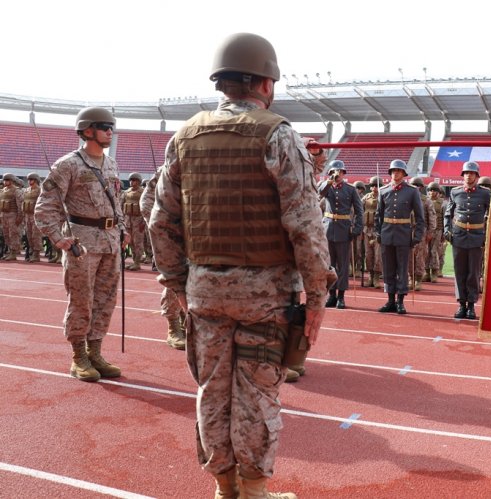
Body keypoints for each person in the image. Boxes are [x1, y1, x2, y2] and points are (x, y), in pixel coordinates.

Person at [147, 32, 333, 499]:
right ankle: (252, 491)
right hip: (265, 295)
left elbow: (160, 220)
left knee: (212, 390)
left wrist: (176, 282)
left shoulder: (184, 136)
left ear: (223, 83)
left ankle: (223, 487)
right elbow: (305, 224)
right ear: (266, 83)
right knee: (257, 393)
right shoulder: (279, 134)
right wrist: (317, 297)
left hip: (204, 289)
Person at [34, 106, 129, 382]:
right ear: (87, 130)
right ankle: (79, 357)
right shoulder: (68, 165)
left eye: (112, 127)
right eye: (104, 127)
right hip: (81, 244)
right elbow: (45, 206)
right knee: (81, 300)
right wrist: (57, 238)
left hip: (110, 243)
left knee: (105, 300)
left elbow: (117, 203)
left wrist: (123, 230)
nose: (110, 132)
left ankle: (95, 352)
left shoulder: (111, 164)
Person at [139, 168, 186, 350]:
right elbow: (147, 201)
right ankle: (173, 327)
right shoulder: (169, 168)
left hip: (199, 232)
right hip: (174, 233)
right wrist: (162, 227)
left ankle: (187, 323)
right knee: (175, 278)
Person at [375, 159, 425, 314]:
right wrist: (378, 233)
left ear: (404, 173)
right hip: (387, 234)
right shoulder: (383, 191)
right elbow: (379, 215)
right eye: (393, 170)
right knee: (388, 268)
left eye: (399, 171)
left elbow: (420, 217)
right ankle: (390, 300)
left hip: (404, 235)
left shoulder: (412, 191)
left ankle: (400, 301)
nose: (395, 173)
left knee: (402, 269)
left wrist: (416, 236)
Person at [444, 161, 491, 320]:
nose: (468, 175)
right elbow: (448, 213)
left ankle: (471, 305)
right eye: (466, 173)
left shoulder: (485, 194)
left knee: (473, 272)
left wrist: (487, 235)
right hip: (458, 235)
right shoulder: (455, 192)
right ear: (462, 175)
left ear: (477, 176)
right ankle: (461, 304)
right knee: (460, 272)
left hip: (477, 236)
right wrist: (447, 230)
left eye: (471, 173)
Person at [318, 160, 363, 309]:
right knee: (329, 265)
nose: (337, 174)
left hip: (344, 229)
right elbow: (320, 193)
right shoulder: (327, 186)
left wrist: (356, 228)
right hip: (328, 229)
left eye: (339, 172)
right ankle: (331, 295)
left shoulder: (350, 190)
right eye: (334, 172)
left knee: (343, 265)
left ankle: (341, 297)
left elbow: (359, 210)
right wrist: (330, 180)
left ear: (344, 173)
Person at [407, 177, 436, 291]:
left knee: (420, 256)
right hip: (407, 231)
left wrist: (430, 232)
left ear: (421, 187)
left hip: (421, 231)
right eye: (413, 184)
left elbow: (432, 217)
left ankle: (418, 280)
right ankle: (410, 278)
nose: (415, 187)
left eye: (418, 185)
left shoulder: (426, 200)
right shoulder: (407, 198)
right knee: (409, 256)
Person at [362, 176, 383, 287]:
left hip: (378, 230)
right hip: (367, 229)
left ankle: (376, 277)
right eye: (373, 185)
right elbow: (360, 211)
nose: (375, 187)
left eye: (377, 185)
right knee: (368, 254)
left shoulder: (383, 197)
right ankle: (370, 275)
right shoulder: (366, 197)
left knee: (378, 254)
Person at [122, 172, 146, 271]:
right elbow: (121, 206)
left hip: (138, 221)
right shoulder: (126, 192)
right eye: (131, 180)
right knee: (130, 242)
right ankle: (134, 261)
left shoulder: (143, 192)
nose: (132, 182)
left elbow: (146, 207)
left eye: (134, 180)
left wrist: (144, 222)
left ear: (139, 181)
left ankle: (137, 263)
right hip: (128, 221)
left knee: (138, 242)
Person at [0, 173, 24, 260]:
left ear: (12, 181)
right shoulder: (3, 191)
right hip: (4, 215)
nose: (6, 182)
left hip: (12, 215)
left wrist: (19, 217)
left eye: (8, 180)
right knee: (6, 234)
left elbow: (20, 205)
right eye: (5, 180)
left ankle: (13, 252)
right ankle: (10, 251)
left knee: (13, 234)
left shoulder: (17, 191)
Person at [426, 182, 446, 282]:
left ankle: (434, 272)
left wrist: (444, 233)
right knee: (425, 252)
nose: (432, 192)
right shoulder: (425, 201)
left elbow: (444, 219)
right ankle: (426, 272)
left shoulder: (442, 203)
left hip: (438, 230)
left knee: (434, 251)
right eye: (430, 190)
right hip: (426, 230)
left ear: (438, 192)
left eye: (434, 190)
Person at [21, 173, 44, 262]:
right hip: (27, 215)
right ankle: (31, 251)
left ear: (36, 180)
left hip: (36, 216)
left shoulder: (40, 190)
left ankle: (36, 254)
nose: (30, 181)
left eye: (32, 180)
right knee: (29, 235)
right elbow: (23, 202)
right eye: (29, 180)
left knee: (36, 235)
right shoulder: (26, 190)